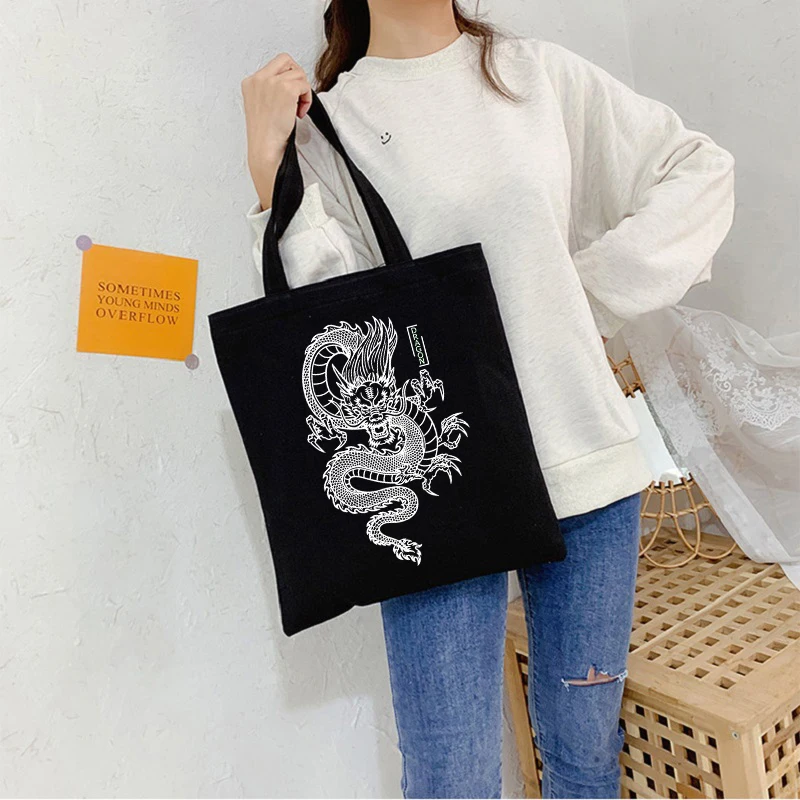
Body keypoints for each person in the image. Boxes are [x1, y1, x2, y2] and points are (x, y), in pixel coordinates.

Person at [240, 1, 736, 797]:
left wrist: (584, 300)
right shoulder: (330, 123)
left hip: (586, 464)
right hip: (435, 494)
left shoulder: (534, 75)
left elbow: (699, 171)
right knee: (453, 777)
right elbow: (329, 320)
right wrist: (269, 166)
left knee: (584, 758)